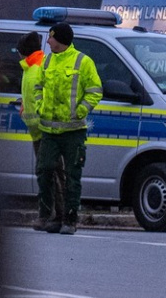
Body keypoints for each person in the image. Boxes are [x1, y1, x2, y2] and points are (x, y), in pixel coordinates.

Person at [36, 21, 103, 235]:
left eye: (51, 37)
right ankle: (49, 216)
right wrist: (39, 106)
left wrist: (81, 110)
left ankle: (70, 219)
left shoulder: (83, 62)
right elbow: (38, 87)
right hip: (49, 130)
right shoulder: (47, 62)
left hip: (73, 132)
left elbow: (95, 90)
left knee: (73, 176)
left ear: (61, 40)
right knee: (44, 171)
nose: (48, 41)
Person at [18, 31, 64, 232]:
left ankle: (56, 217)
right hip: (39, 132)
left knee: (51, 174)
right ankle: (49, 216)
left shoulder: (37, 68)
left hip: (46, 131)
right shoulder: (30, 68)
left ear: (24, 52)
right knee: (47, 174)